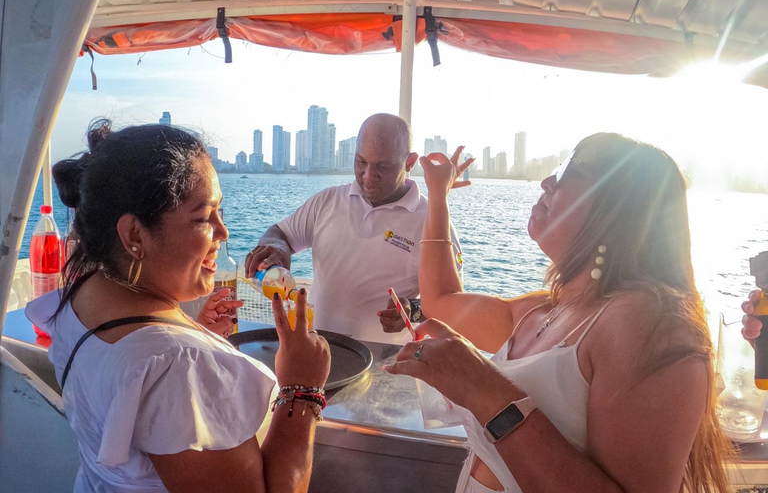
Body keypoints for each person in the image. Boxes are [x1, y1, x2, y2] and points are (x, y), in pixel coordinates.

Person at [384, 134, 733, 492]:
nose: (547, 181)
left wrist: (482, 386)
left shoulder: (652, 322)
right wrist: (438, 197)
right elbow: (441, 300)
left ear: (620, 207)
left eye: (569, 171)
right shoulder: (544, 310)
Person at [27, 120, 330, 493]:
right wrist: (302, 389)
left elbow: (136, 375)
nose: (223, 232)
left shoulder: (81, 297)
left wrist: (194, 330)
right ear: (134, 235)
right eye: (204, 217)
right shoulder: (181, 366)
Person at [245, 113, 464, 343]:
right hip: (316, 352)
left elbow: (454, 304)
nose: (368, 176)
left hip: (387, 362)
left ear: (409, 162)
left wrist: (413, 309)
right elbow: (280, 233)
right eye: (361, 162)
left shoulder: (433, 222)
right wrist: (277, 246)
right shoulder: (327, 201)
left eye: (383, 166)